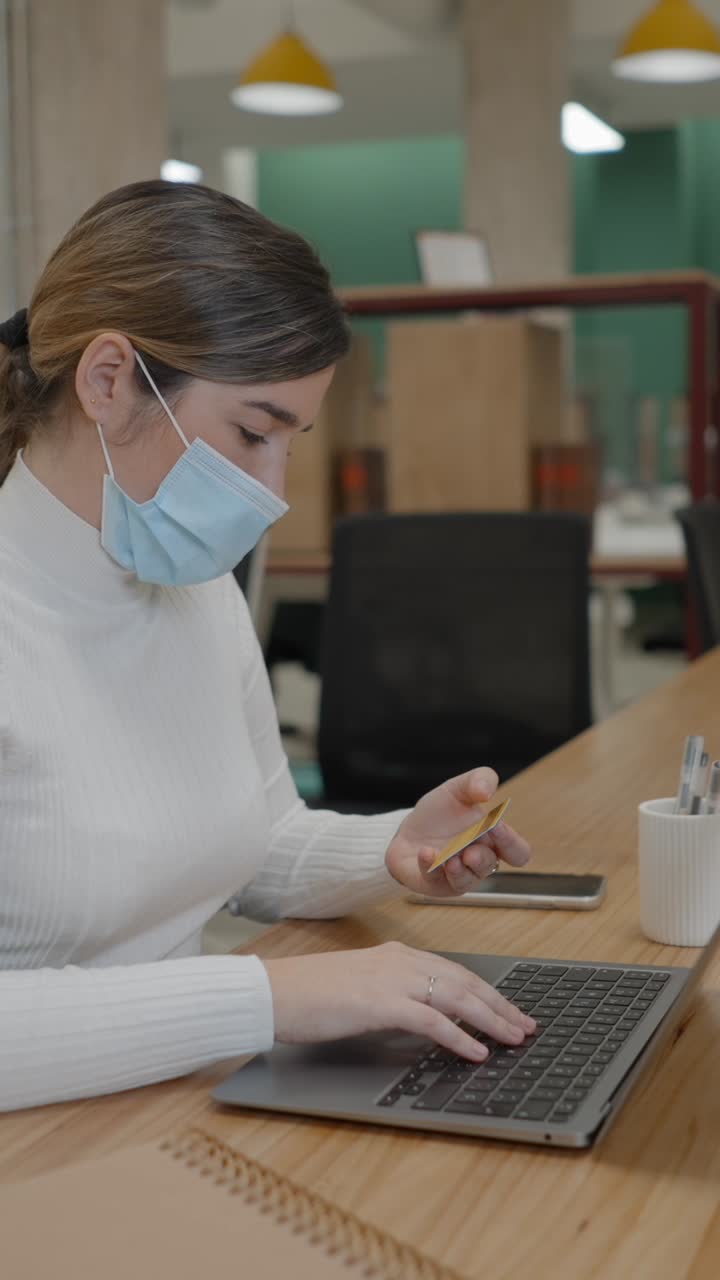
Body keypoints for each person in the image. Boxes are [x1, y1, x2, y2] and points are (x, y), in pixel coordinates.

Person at [0, 180, 533, 1113]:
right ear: (108, 380)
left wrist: (391, 849)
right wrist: (272, 996)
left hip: (180, 1100)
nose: (272, 488)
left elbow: (254, 839)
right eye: (252, 432)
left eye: (290, 442)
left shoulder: (194, 587)